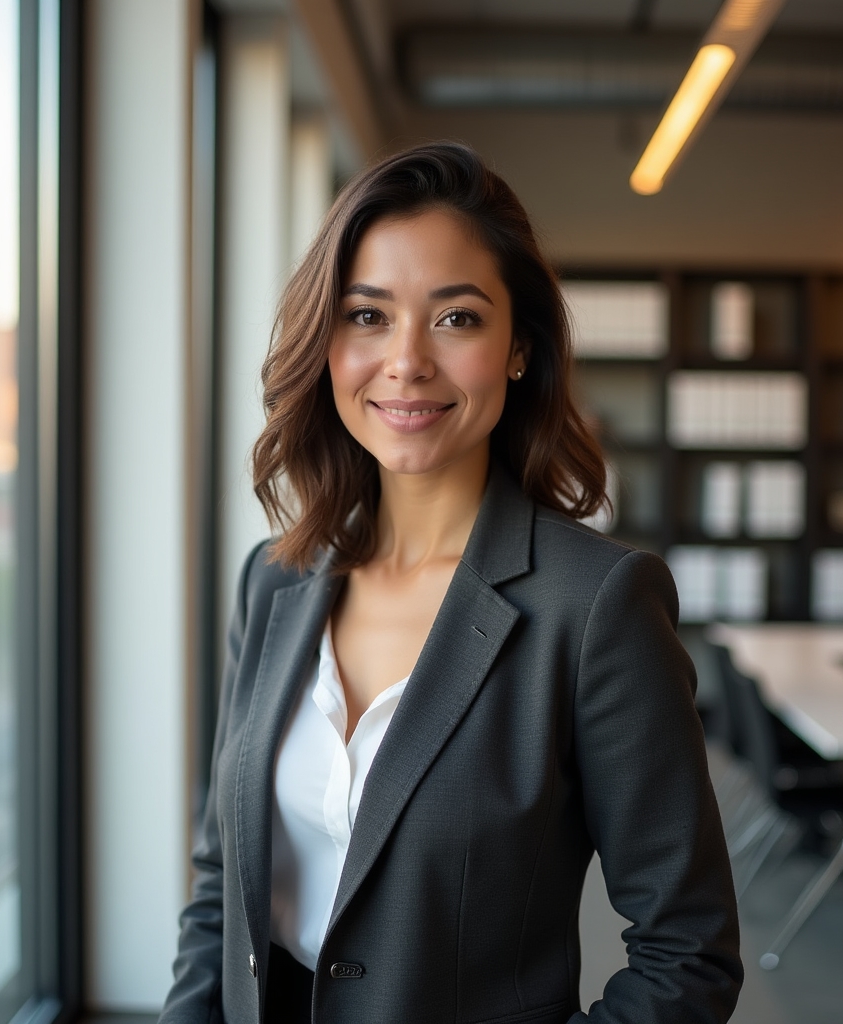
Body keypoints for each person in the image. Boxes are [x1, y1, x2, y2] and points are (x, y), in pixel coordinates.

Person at [159, 142, 742, 1024]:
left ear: (518, 348)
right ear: (327, 340)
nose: (407, 361)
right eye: (367, 316)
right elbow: (221, 884)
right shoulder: (271, 581)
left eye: (457, 319)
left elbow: (686, 952)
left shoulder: (594, 608)